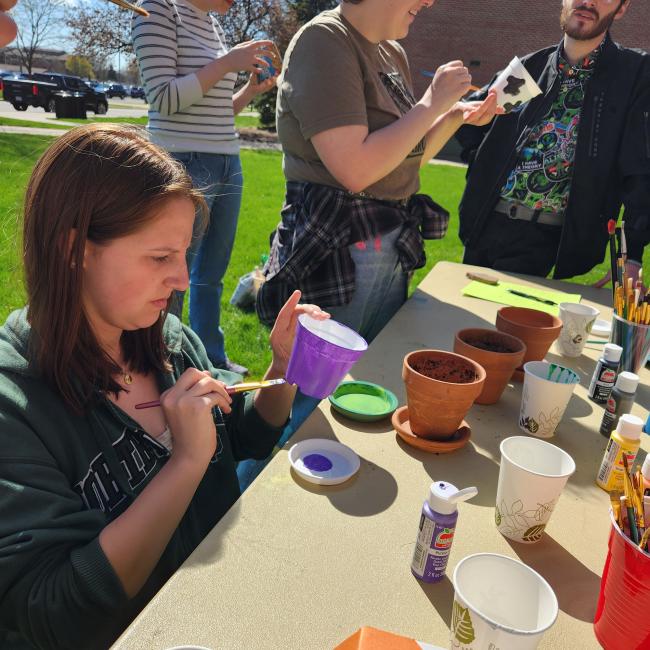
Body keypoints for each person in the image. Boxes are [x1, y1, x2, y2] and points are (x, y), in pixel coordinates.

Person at [0, 124, 327, 650]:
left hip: (224, 611)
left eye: (183, 254)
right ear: (74, 249)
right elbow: (58, 614)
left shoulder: (166, 340)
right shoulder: (15, 406)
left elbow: (246, 438)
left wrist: (283, 367)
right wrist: (184, 464)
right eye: (159, 257)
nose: (181, 278)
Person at [238, 0, 500, 490]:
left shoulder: (390, 54)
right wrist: (429, 105)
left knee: (355, 396)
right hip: (335, 249)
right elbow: (355, 170)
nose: (429, 2)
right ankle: (243, 502)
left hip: (384, 247)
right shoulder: (324, 42)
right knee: (305, 403)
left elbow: (404, 164)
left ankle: (311, 497)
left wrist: (453, 116)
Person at [132, 0, 281, 375]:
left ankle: (208, 358)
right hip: (183, 164)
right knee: (172, 278)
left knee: (210, 275)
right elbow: (164, 99)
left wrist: (248, 89)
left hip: (228, 160)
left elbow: (214, 108)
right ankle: (162, 362)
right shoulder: (157, 9)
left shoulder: (211, 23)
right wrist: (228, 62)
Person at [457, 0, 650, 285]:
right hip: (485, 225)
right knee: (463, 324)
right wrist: (481, 165)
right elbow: (470, 124)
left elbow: (641, 169)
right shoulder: (529, 69)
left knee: (516, 328)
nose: (588, 1)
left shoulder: (633, 75)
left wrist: (630, 255)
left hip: (545, 240)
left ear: (621, 9)